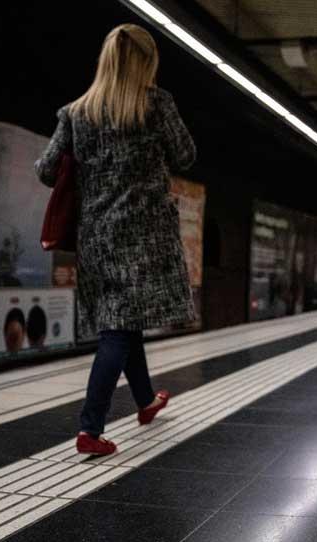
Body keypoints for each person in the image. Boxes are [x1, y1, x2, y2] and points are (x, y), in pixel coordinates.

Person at [35, 24, 196, 456]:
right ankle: (90, 428)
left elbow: (46, 170)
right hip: (143, 237)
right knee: (118, 329)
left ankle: (145, 402)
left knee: (125, 318)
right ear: (146, 63)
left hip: (96, 237)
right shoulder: (156, 104)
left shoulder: (75, 113)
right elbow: (186, 154)